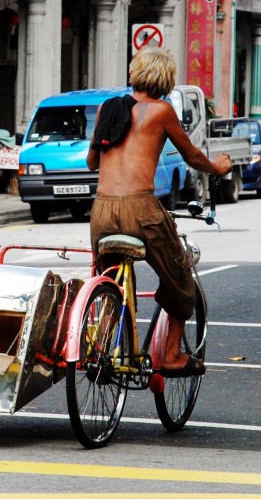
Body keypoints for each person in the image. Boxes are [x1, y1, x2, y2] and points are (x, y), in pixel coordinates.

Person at [86, 47, 232, 377]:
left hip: (102, 210)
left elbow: (92, 162)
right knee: (180, 277)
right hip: (141, 208)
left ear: (135, 73)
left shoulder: (109, 108)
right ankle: (171, 356)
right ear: (166, 79)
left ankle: (102, 350)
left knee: (111, 281)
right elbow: (193, 156)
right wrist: (218, 167)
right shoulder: (162, 111)